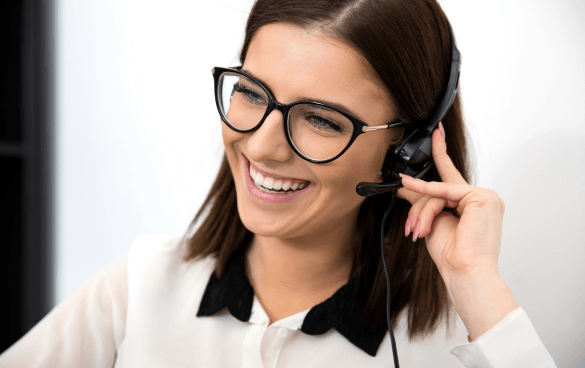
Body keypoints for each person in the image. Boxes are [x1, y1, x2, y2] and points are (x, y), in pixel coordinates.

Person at [0, 0, 557, 367]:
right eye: (251, 92)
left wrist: (477, 286)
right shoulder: (142, 286)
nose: (262, 146)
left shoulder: (454, 343)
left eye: (319, 119)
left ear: (405, 153)